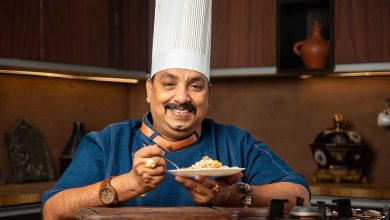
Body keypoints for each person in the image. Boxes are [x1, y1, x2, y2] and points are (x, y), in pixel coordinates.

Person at [42, 0, 310, 219]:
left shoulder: (234, 142)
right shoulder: (107, 143)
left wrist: (231, 195)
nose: (181, 97)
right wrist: (129, 184)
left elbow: (300, 195)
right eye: (169, 83)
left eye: (195, 85)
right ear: (150, 90)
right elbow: (52, 209)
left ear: (209, 95)